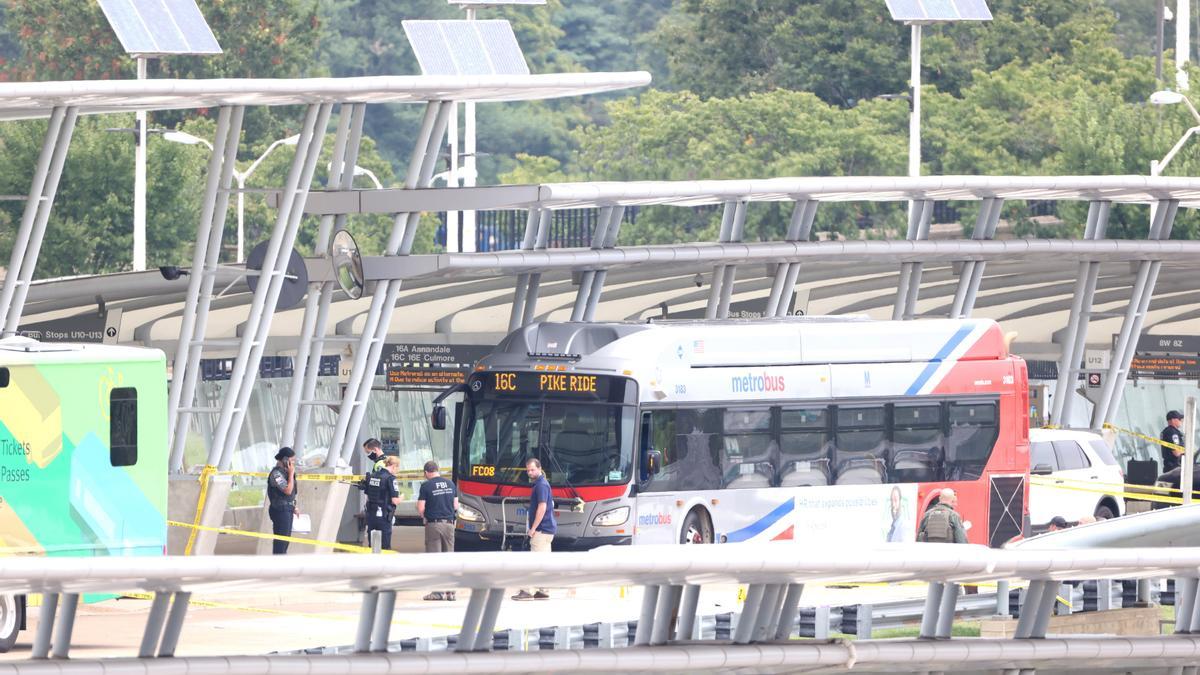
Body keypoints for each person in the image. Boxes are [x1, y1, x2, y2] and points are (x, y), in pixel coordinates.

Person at [512, 458, 557, 601]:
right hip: (547, 529)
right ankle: (543, 590)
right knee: (544, 562)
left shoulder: (541, 485)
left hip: (541, 530)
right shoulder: (541, 484)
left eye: (532, 469)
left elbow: (542, 507)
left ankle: (527, 591)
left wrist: (532, 529)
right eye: (528, 470)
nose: (530, 473)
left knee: (534, 561)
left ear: (540, 468)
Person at [418, 460, 459, 601]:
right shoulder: (451, 484)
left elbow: (421, 507)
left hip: (433, 525)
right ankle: (450, 592)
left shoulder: (426, 486)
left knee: (435, 559)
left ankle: (437, 592)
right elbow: (455, 505)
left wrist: (424, 517)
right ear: (438, 470)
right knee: (449, 558)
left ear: (426, 473)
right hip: (449, 525)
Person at [364, 455, 401, 551]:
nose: (397, 471)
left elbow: (368, 496)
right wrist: (401, 498)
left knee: (372, 546)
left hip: (371, 515)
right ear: (394, 466)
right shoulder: (390, 479)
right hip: (384, 515)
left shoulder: (372, 476)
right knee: (385, 547)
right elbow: (394, 501)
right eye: (397, 468)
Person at [266, 447, 297, 555]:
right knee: (281, 544)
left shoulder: (285, 473)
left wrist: (294, 506)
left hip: (287, 509)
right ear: (285, 460)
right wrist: (291, 474)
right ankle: (278, 567)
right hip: (280, 511)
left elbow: (291, 494)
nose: (293, 463)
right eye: (292, 460)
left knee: (285, 542)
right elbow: (288, 490)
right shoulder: (276, 474)